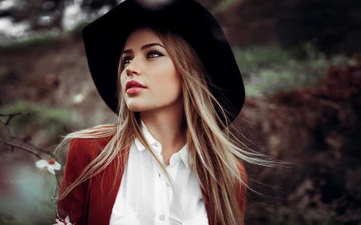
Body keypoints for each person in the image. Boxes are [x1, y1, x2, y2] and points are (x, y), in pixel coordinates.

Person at [55, 0, 265, 224]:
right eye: (126, 59)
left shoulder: (228, 174)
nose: (130, 68)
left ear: (189, 71)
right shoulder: (90, 151)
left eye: (153, 54)